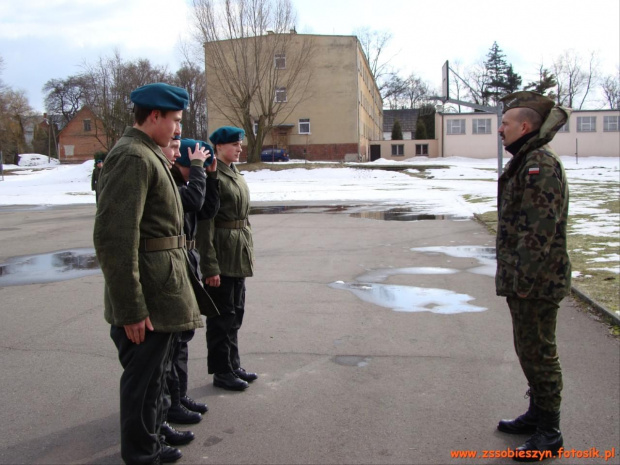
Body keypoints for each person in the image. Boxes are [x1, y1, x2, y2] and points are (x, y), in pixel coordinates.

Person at [93, 82, 204, 465]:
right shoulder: (133, 158)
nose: (177, 129)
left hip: (162, 288)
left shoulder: (148, 154)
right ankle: (142, 454)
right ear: (153, 115)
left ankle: (154, 434)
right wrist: (131, 308)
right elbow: (114, 239)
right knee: (142, 381)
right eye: (174, 121)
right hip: (147, 297)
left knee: (157, 375)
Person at [495, 91, 571, 462]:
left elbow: (538, 232)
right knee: (529, 351)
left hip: (537, 282)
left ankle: (550, 432)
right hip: (527, 279)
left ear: (525, 126)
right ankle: (537, 415)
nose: (500, 130)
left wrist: (522, 281)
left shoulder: (538, 163)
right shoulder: (527, 160)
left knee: (540, 353)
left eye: (505, 124)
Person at [158, 137, 220, 445]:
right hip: (174, 265)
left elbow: (207, 209)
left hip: (187, 262)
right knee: (173, 343)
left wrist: (209, 173)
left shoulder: (191, 181)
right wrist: (197, 168)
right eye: (190, 162)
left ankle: (178, 398)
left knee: (183, 339)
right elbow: (194, 201)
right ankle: (170, 405)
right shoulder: (170, 183)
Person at [196, 126, 257, 391]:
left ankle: (233, 364)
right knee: (222, 317)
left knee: (236, 313)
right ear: (219, 147)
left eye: (240, 143)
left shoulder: (234, 173)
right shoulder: (215, 176)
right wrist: (209, 265)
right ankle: (222, 372)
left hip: (238, 251)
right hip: (222, 252)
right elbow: (205, 223)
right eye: (234, 144)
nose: (239, 148)